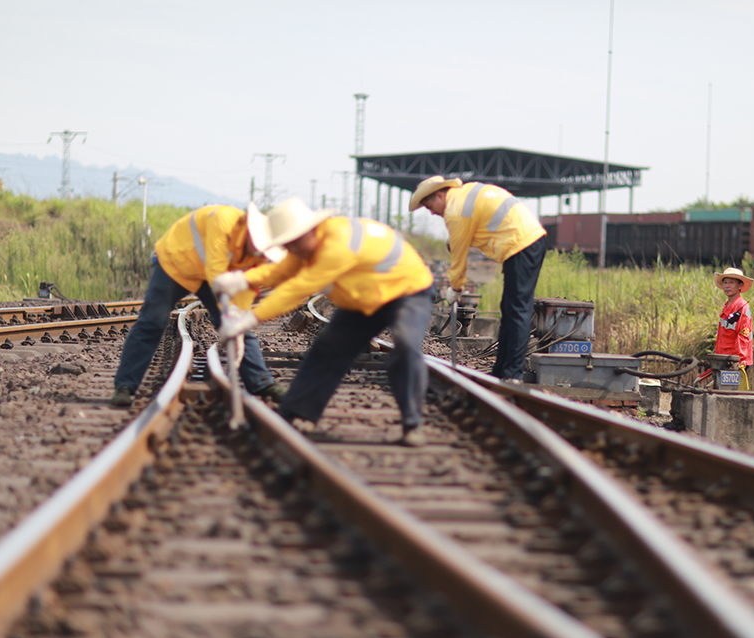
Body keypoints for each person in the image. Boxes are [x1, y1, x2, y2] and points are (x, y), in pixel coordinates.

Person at [213, 198, 435, 447]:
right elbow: (280, 272)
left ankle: (412, 425)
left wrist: (249, 319)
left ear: (310, 230)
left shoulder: (337, 244)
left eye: (294, 243)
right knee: (328, 349)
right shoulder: (305, 246)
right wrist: (242, 280)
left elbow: (296, 289)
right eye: (287, 245)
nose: (292, 250)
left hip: (406, 292)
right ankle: (297, 413)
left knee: (406, 347)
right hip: (362, 298)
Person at [111, 204, 283, 407]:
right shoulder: (223, 220)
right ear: (251, 231)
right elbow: (216, 271)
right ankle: (125, 387)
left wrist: (237, 320)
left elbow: (249, 286)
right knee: (153, 321)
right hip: (176, 264)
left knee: (240, 327)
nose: (260, 250)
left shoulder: (261, 254)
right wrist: (229, 313)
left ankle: (262, 384)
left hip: (212, 276)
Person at [409, 176, 546, 382]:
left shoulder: (455, 211)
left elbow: (458, 260)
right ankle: (502, 371)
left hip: (522, 244)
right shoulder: (464, 195)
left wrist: (455, 288)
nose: (431, 212)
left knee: (517, 309)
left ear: (439, 195)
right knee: (509, 309)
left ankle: (512, 375)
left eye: (430, 205)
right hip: (523, 242)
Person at [713, 266, 754, 390]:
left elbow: (744, 337)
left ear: (740, 286)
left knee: (731, 396)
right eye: (725, 282)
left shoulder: (742, 308)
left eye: (731, 282)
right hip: (723, 358)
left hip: (735, 361)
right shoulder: (726, 306)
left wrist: (737, 361)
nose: (727, 286)